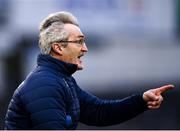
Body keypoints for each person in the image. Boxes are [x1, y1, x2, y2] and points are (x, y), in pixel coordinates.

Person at [4, 11, 174, 129]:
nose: (85, 49)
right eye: (79, 42)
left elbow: (99, 112)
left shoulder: (61, 79)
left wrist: (141, 100)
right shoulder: (45, 84)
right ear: (58, 48)